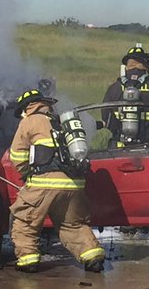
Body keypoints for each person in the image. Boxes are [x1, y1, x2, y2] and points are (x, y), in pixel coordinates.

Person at [8, 87, 106, 273]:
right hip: (75, 184)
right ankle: (93, 256)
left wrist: (27, 174)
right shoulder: (62, 121)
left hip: (44, 183)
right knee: (73, 224)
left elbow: (17, 155)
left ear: (27, 107)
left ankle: (28, 260)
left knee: (24, 221)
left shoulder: (29, 121)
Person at [100, 45, 149, 151]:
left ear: (127, 66)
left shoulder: (114, 88)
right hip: (147, 147)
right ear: (145, 65)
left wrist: (117, 131)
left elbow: (106, 114)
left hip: (119, 147)